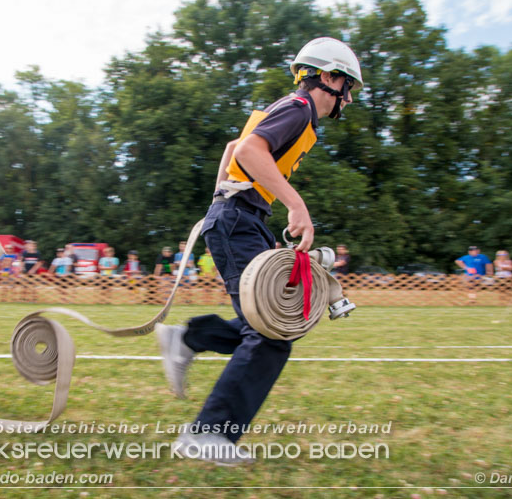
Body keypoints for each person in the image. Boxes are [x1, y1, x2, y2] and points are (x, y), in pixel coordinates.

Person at [155, 37, 363, 465]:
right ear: (329, 77)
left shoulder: (294, 111)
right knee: (271, 333)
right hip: (238, 221)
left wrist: (221, 197)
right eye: (349, 86)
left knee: (268, 318)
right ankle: (208, 434)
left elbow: (234, 149)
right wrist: (295, 204)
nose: (350, 97)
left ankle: (189, 337)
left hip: (240, 218)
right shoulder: (300, 108)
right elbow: (249, 151)